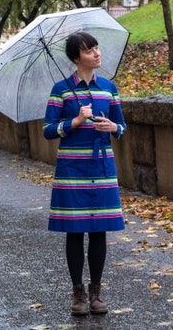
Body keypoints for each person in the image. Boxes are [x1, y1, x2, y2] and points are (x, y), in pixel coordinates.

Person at [43, 32, 127, 316]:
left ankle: (96, 293)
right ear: (76, 58)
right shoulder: (61, 90)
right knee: (75, 231)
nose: (96, 53)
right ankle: (78, 293)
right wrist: (75, 121)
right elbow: (47, 130)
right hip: (72, 169)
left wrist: (112, 128)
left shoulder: (108, 88)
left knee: (100, 230)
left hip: (101, 168)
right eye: (89, 50)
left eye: (96, 48)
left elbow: (122, 125)